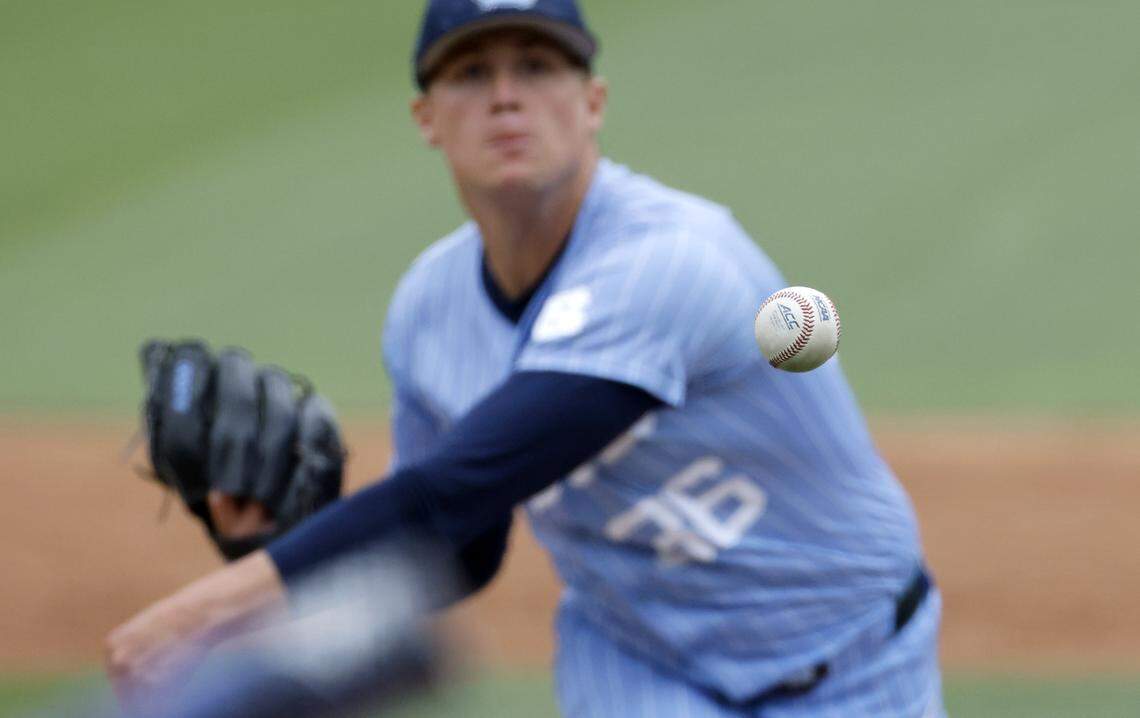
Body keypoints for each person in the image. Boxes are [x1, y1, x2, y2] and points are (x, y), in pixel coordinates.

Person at [106, 1, 945, 715]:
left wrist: (208, 611)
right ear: (426, 118)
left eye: (537, 66)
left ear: (593, 102)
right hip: (638, 664)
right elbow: (455, 551)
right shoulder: (430, 309)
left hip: (855, 655)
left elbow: (450, 492)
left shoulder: (671, 260)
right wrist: (277, 550)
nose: (505, 98)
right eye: (470, 74)